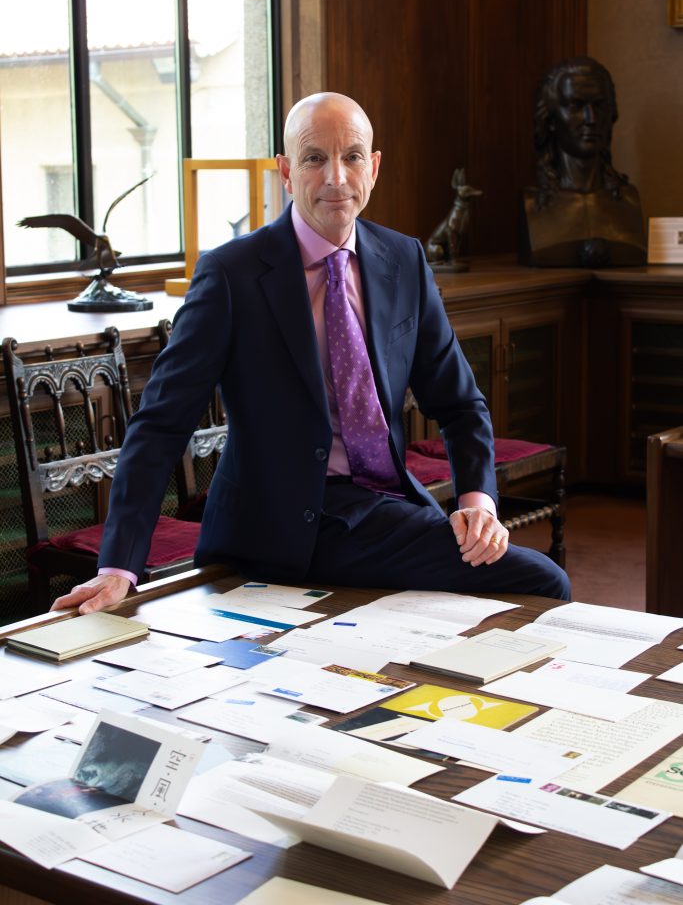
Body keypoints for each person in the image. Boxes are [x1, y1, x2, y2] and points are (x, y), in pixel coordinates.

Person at [54, 92, 570, 616]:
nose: (335, 178)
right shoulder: (233, 275)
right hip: (284, 523)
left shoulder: (403, 260)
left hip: (384, 504)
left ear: (374, 168)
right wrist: (118, 567)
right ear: (285, 171)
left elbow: (460, 404)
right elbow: (161, 422)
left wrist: (476, 504)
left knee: (508, 586)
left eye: (351, 157)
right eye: (314, 157)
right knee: (540, 579)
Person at [522, 57, 646, 268]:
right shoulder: (534, 205)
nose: (591, 118)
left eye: (600, 106)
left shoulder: (629, 201)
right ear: (551, 119)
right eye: (575, 106)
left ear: (612, 114)